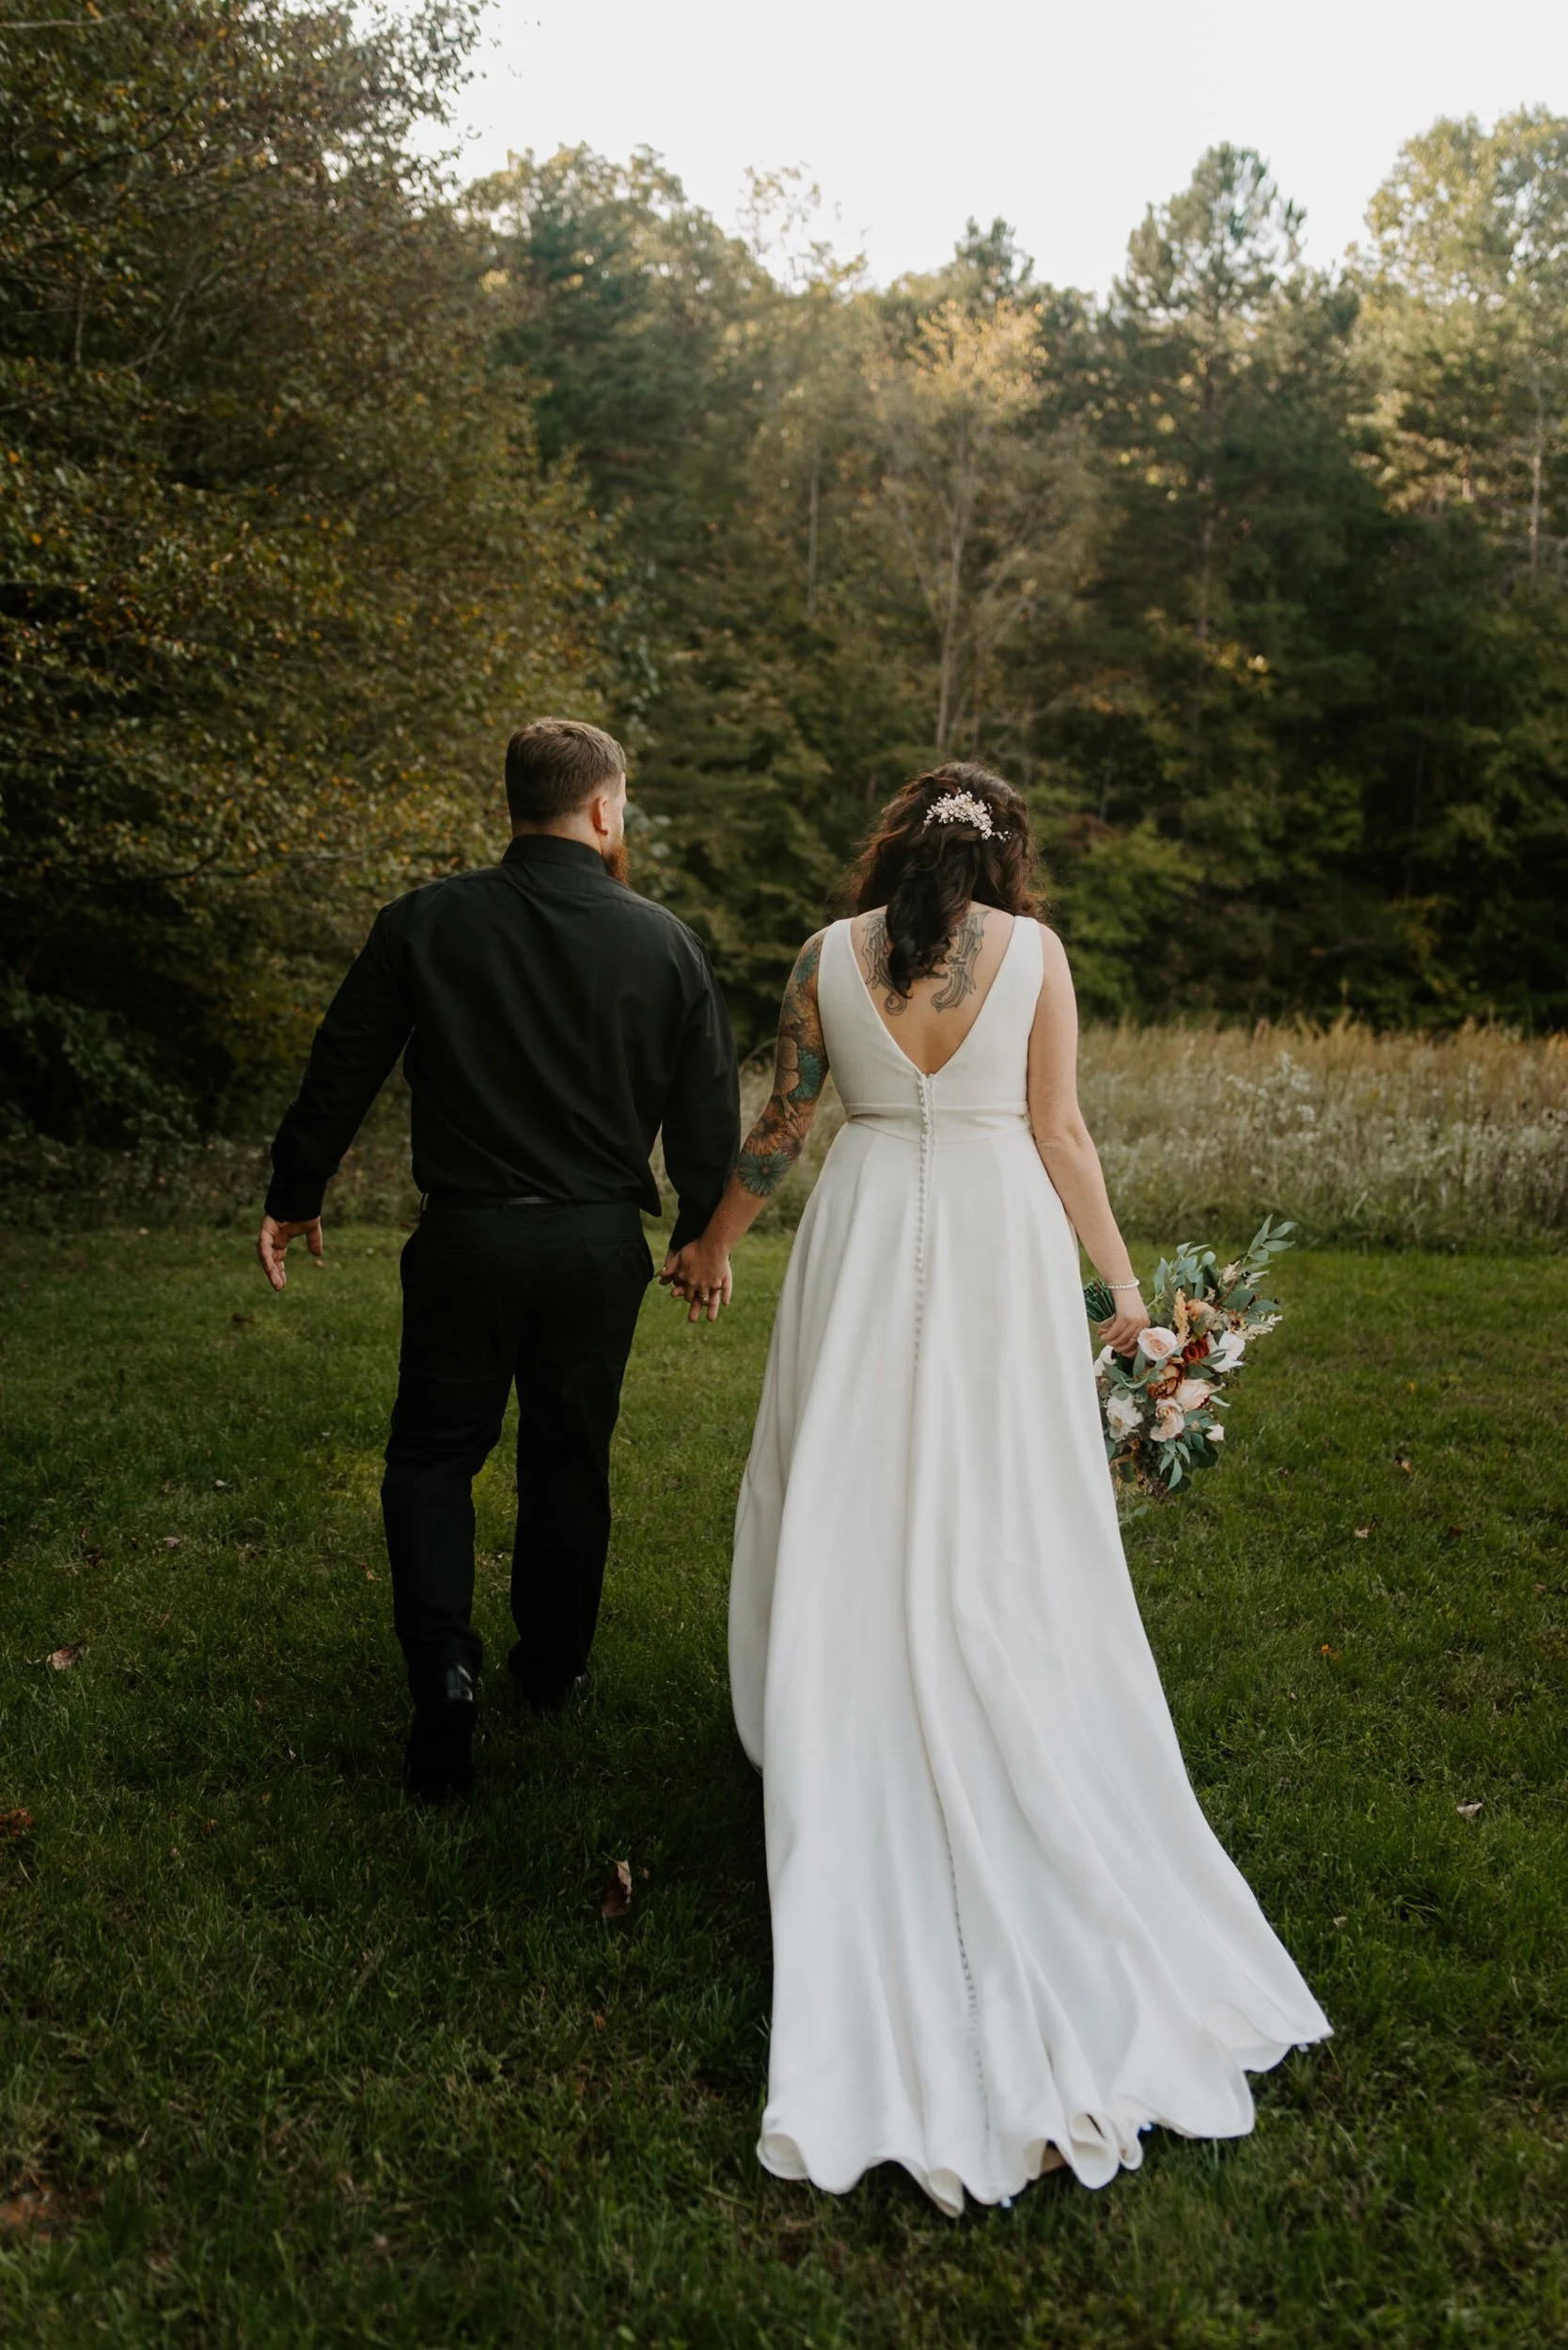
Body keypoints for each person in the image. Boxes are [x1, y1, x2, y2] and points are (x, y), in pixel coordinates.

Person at [663, 763, 1329, 2212]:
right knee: (999, 1493)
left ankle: (833, 1692)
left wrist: (714, 1243)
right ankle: (976, 1669)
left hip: (858, 1232)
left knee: (838, 1472)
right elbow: (1060, 1134)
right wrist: (1126, 1293)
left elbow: (780, 1126)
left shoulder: (820, 959)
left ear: (891, 849)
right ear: (1008, 860)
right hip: (995, 1241)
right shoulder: (1036, 957)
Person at [258, 719, 739, 1800]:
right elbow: (707, 1105)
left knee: (432, 1454)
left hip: (467, 1236)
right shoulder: (665, 941)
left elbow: (344, 1061)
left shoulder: (425, 921)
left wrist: (296, 1192)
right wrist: (702, 1232)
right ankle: (554, 1666)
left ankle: (444, 1670)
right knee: (569, 1455)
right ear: (605, 808)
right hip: (593, 1244)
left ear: (512, 803)